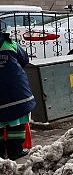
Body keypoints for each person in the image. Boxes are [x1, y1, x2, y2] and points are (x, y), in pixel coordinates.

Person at [0, 22, 36, 160]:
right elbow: (24, 59)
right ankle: (15, 151)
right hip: (17, 93)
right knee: (17, 121)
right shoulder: (10, 44)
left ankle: (1, 154)